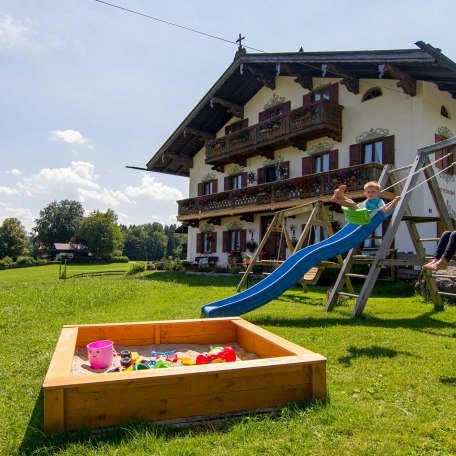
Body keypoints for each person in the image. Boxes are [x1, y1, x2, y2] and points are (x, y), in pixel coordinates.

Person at [331, 181, 400, 216]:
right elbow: (359, 206)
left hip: (365, 216)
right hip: (361, 213)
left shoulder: (379, 201)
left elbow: (385, 211)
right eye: (368, 192)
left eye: (373, 192)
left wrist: (394, 201)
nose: (370, 194)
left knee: (352, 204)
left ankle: (336, 200)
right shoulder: (367, 201)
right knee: (351, 201)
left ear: (379, 193)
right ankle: (341, 196)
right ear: (365, 194)